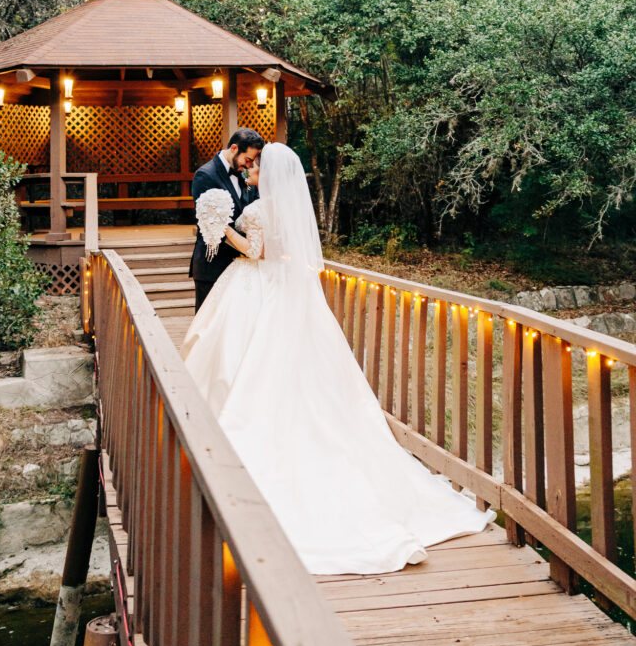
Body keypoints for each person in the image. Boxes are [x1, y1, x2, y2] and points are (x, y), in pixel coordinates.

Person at [182, 142, 495, 575]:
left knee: (249, 362)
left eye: (257, 165)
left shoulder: (258, 208)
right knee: (287, 368)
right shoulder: (278, 205)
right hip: (280, 291)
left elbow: (257, 252)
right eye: (250, 163)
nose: (251, 167)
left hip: (259, 286)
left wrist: (220, 228)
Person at [189, 127, 264, 313]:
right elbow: (210, 225)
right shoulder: (205, 175)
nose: (249, 166)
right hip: (212, 265)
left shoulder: (246, 175)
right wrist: (249, 247)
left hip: (242, 269)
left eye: (252, 162)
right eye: (247, 159)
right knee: (206, 326)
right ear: (233, 148)